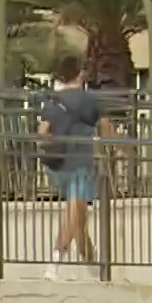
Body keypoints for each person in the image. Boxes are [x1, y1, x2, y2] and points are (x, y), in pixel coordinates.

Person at [37, 55, 109, 280]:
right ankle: (55, 263)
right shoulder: (89, 100)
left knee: (79, 218)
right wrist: (114, 149)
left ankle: (96, 270)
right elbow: (106, 127)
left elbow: (42, 133)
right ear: (80, 74)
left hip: (57, 165)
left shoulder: (53, 101)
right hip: (80, 163)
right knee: (73, 214)